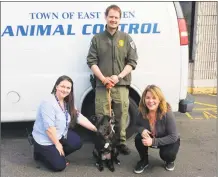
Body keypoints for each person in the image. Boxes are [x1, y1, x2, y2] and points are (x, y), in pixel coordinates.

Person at [86, 4, 138, 155]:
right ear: (106, 17)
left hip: (121, 84)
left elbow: (132, 62)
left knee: (122, 115)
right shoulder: (97, 39)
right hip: (103, 86)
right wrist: (103, 78)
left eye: (116, 17)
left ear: (119, 19)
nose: (113, 20)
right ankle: (104, 144)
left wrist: (118, 77)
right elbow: (91, 61)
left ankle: (121, 143)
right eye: (111, 17)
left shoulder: (126, 38)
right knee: (102, 116)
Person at [32, 75, 97, 172]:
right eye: (62, 86)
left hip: (60, 134)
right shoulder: (48, 103)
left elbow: (78, 117)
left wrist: (96, 129)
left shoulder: (67, 102)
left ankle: (55, 155)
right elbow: (49, 128)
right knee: (59, 166)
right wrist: (57, 144)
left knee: (76, 142)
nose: (65, 90)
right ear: (56, 86)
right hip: (45, 139)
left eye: (68, 88)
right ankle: (40, 152)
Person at [134, 85, 180, 174]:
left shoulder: (167, 112)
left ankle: (169, 161)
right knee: (138, 139)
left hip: (168, 139)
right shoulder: (141, 110)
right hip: (152, 136)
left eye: (154, 98)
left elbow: (173, 136)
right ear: (144, 99)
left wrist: (153, 142)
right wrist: (141, 130)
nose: (150, 101)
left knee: (167, 155)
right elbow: (136, 125)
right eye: (147, 98)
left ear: (159, 99)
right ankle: (144, 160)